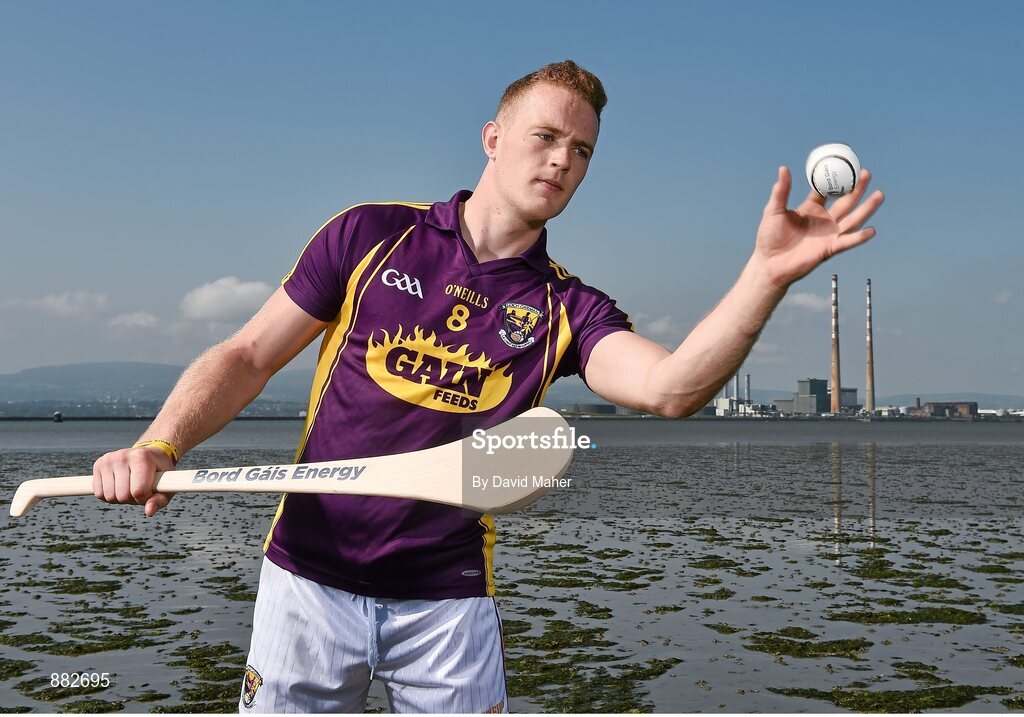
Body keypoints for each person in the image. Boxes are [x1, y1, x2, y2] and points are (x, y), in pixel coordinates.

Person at [92, 60, 884, 712]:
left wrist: (766, 274)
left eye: (581, 151)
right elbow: (247, 356)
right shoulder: (371, 235)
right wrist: (159, 442)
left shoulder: (566, 309)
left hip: (448, 603)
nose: (562, 162)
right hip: (307, 579)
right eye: (546, 137)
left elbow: (673, 388)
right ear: (494, 137)